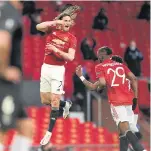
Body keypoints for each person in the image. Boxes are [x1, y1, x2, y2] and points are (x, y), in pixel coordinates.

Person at [76, 47, 146, 151]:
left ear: (102, 55)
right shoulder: (121, 66)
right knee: (123, 131)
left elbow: (100, 84)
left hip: (117, 101)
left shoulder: (100, 67)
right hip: (130, 100)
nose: (98, 57)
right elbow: (134, 78)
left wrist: (81, 77)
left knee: (124, 128)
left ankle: (140, 149)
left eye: (99, 55)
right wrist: (135, 98)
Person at [36, 8, 78, 148]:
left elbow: (70, 57)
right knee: (44, 100)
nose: (66, 23)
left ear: (71, 23)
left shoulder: (72, 39)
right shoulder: (52, 31)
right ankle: (65, 104)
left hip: (58, 70)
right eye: (64, 20)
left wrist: (56, 50)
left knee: (54, 100)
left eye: (68, 21)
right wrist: (56, 22)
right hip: (46, 68)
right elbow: (38, 26)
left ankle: (48, 133)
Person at [0, 1, 33, 151]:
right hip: (4, 83)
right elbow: (2, 41)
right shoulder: (8, 10)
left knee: (26, 126)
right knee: (2, 130)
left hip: (12, 86)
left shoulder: (12, 11)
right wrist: (3, 69)